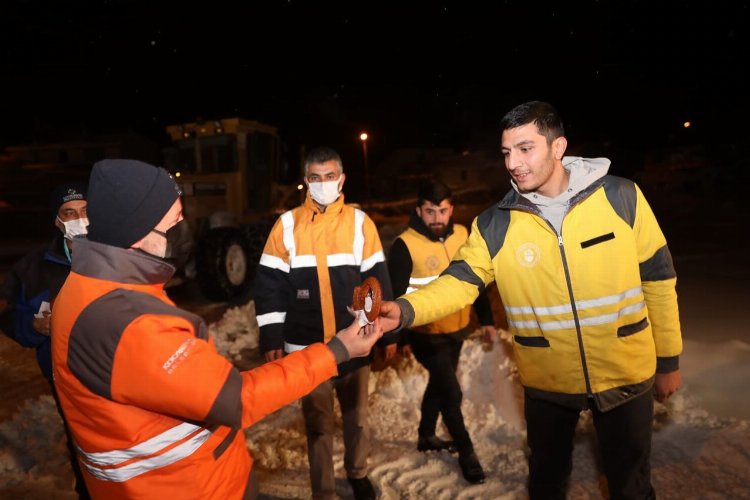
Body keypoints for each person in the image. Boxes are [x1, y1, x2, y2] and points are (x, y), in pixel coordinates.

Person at [378, 101, 683, 499]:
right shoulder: (495, 223)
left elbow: (659, 280)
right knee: (546, 483)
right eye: (507, 152)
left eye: (525, 148)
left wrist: (669, 360)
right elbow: (458, 283)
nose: (513, 163)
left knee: (631, 487)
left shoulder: (622, 197)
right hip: (548, 381)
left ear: (558, 148)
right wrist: (403, 309)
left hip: (626, 371)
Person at [50, 159, 383, 500]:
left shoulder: (84, 287)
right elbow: (236, 399)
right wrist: (336, 351)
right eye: (174, 220)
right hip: (188, 488)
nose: (183, 227)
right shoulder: (131, 323)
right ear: (137, 233)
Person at [255, 147, 396, 500]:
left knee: (357, 418)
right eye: (315, 178)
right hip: (308, 348)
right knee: (318, 425)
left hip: (356, 341)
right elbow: (269, 286)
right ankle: (324, 490)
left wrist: (390, 331)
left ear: (342, 179)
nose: (323, 184)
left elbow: (379, 280)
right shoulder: (286, 225)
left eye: (330, 176)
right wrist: (271, 334)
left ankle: (358, 472)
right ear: (305, 181)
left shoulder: (360, 223)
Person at [387, 179, 496, 484]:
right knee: (451, 391)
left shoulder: (463, 234)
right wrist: (400, 338)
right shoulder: (404, 245)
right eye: (430, 211)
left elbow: (478, 280)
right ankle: (467, 452)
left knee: (439, 384)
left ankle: (426, 435)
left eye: (443, 210)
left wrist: (486, 319)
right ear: (418, 210)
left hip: (458, 328)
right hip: (425, 335)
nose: (437, 218)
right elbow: (395, 297)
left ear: (452, 210)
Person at [0, 180, 91, 498]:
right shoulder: (34, 268)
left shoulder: (116, 259)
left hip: (114, 370)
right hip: (63, 372)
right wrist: (33, 326)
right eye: (70, 213)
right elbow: (10, 316)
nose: (80, 219)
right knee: (82, 442)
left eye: (85, 211)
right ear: (57, 221)